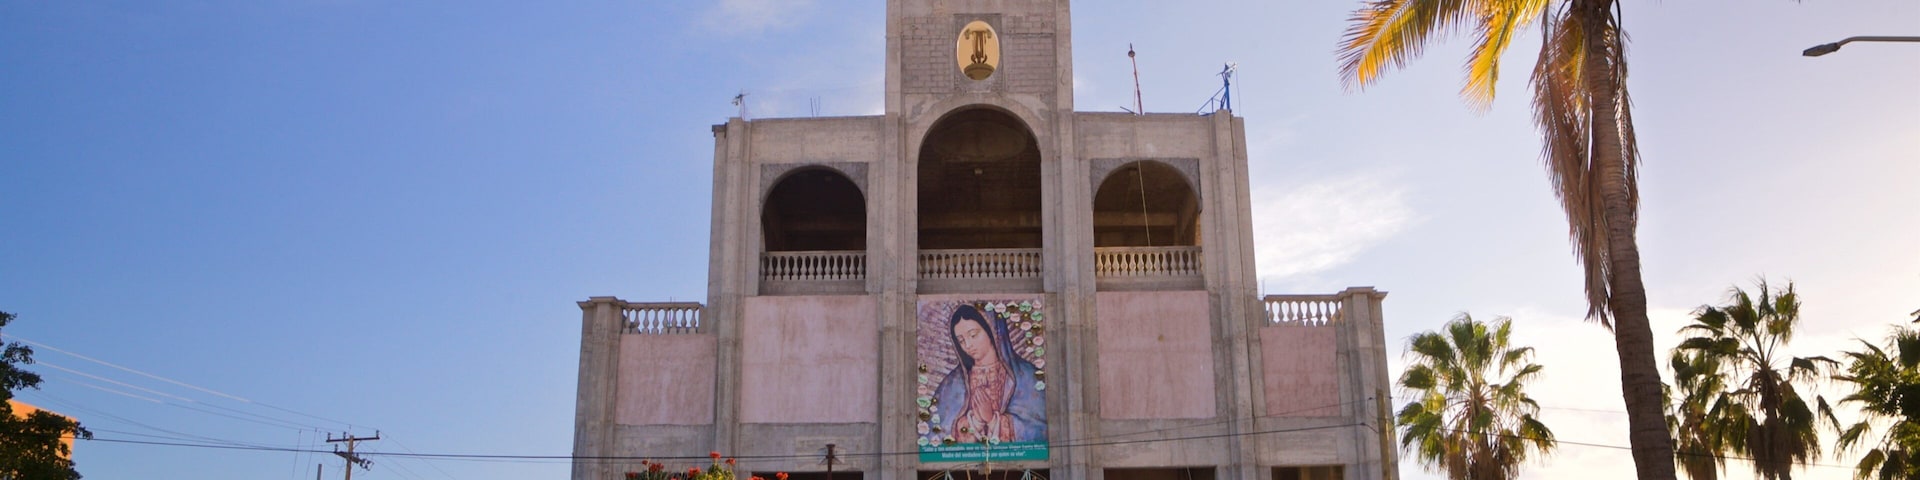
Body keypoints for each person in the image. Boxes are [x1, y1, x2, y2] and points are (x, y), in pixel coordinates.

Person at [932, 304, 1045, 444]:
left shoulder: (1028, 376)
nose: (968, 345)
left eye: (973, 335)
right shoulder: (951, 384)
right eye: (961, 340)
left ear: (992, 331)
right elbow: (936, 435)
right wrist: (976, 422)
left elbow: (1041, 432)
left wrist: (993, 420)